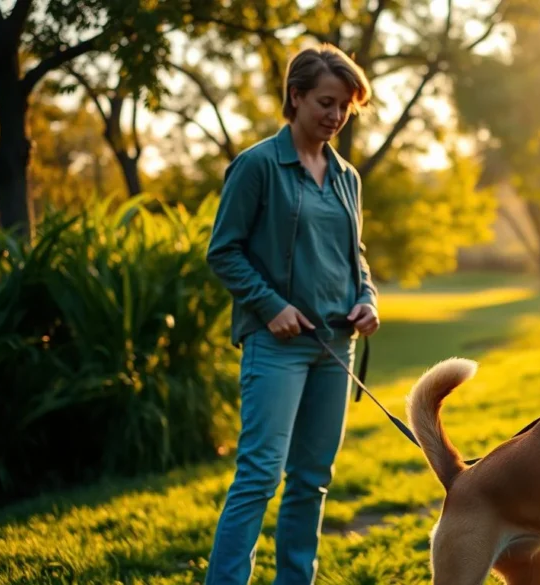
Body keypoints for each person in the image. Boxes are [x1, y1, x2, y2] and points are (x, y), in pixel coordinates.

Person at [203, 44, 380, 585]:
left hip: (336, 347)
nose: (335, 116)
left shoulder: (347, 176)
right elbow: (223, 251)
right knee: (259, 476)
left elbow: (356, 255)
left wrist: (368, 298)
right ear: (296, 96)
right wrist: (270, 304)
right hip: (276, 346)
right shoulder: (257, 166)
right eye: (326, 102)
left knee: (312, 480)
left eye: (345, 107)